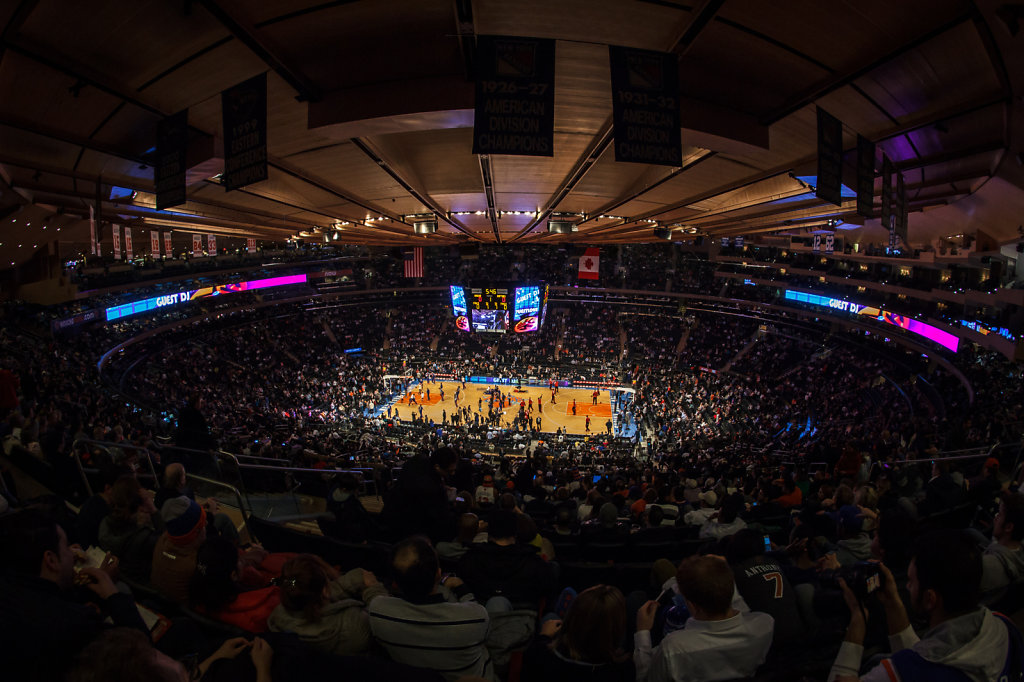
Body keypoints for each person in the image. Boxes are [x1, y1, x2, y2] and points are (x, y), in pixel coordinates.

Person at [828, 529, 1019, 681]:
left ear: (930, 599)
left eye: (911, 581)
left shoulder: (902, 672)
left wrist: (857, 620)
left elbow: (916, 667)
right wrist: (893, 603)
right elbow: (927, 657)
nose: (908, 586)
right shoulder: (1005, 627)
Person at [0, 509, 149, 680]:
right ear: (51, 560)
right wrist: (113, 595)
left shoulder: (11, 590)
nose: (72, 553)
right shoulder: (72, 624)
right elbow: (142, 654)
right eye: (65, 546)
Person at [368, 536, 495, 681]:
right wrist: (462, 589)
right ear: (438, 574)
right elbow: (485, 631)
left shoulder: (377, 612)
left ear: (395, 583)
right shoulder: (475, 617)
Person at [634, 555, 774, 682]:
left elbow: (645, 678)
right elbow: (742, 610)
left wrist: (643, 631)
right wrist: (723, 574)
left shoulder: (673, 648)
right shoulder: (764, 624)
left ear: (691, 605)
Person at [267, 553, 385, 655]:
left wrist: (357, 578)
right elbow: (385, 620)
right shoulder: (352, 624)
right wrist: (374, 588)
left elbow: (314, 591)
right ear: (325, 590)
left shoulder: (279, 615)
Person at [521, 584, 635, 681]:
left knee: (550, 617)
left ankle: (577, 615)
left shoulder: (539, 655)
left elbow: (531, 664)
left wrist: (544, 636)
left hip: (560, 655)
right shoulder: (623, 671)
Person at [458, 510, 555, 607]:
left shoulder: (469, 559)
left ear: (488, 532)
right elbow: (547, 594)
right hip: (525, 619)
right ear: (515, 533)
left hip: (478, 617)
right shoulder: (535, 564)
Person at [189, 535, 280, 633]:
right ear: (233, 575)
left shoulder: (197, 602)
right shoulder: (268, 604)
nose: (241, 562)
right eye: (239, 560)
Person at [97, 475, 164, 583]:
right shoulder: (145, 538)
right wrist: (153, 510)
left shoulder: (104, 526)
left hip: (124, 582)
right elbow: (169, 542)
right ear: (138, 502)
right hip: (149, 586)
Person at [151, 495, 207, 602]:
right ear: (195, 533)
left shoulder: (162, 540)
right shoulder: (197, 565)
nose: (207, 524)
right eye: (203, 524)